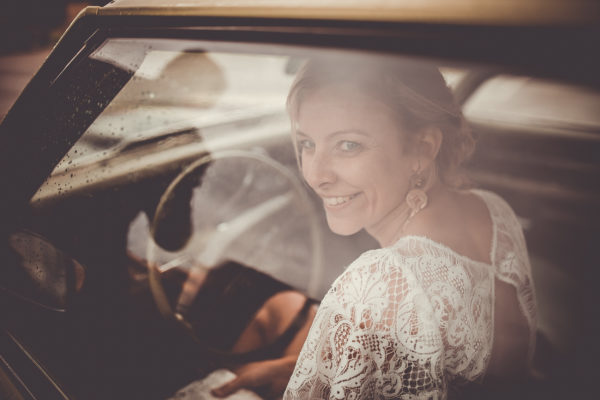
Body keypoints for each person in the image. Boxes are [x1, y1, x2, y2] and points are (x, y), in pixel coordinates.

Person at [281, 56, 537, 399]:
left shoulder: (378, 281)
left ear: (422, 147)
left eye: (349, 145)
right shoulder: (492, 210)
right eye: (307, 144)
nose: (316, 175)